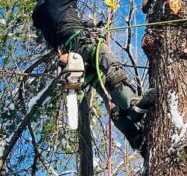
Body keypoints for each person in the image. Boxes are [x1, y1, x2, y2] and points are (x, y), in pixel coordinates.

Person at [32, 0, 155, 151]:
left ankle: (134, 136)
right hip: (82, 42)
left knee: (103, 88)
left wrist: (87, 25)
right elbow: (68, 25)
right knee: (110, 64)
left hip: (73, 58)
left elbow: (62, 25)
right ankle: (132, 105)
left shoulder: (42, 17)